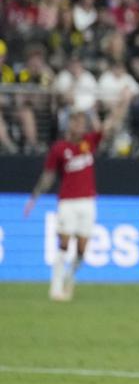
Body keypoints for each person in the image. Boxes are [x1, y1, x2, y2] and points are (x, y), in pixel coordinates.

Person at [23, 96, 132, 301]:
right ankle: (55, 288)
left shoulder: (89, 142)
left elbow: (110, 124)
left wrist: (122, 103)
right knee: (63, 244)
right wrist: (33, 199)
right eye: (76, 122)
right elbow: (48, 176)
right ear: (69, 124)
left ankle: (69, 278)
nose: (80, 126)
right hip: (68, 202)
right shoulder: (59, 148)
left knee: (82, 250)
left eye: (82, 123)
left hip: (88, 202)